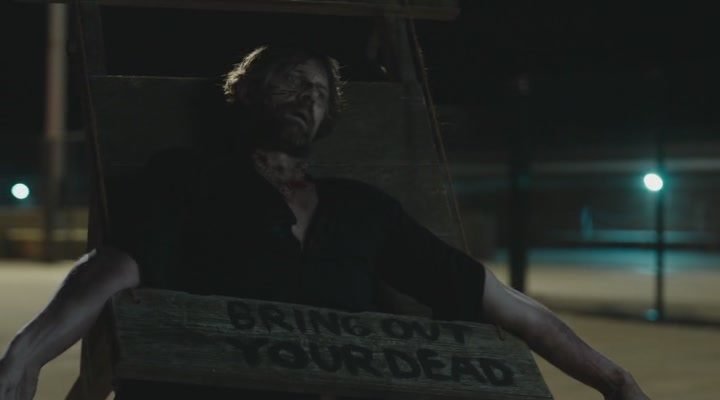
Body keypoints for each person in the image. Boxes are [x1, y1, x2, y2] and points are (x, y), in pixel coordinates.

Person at [0, 45, 650, 400]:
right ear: (246, 92)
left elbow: (501, 301)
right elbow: (116, 266)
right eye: (291, 82)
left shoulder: (363, 209)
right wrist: (25, 355)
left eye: (318, 93)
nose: (307, 99)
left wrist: (614, 380)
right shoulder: (189, 177)